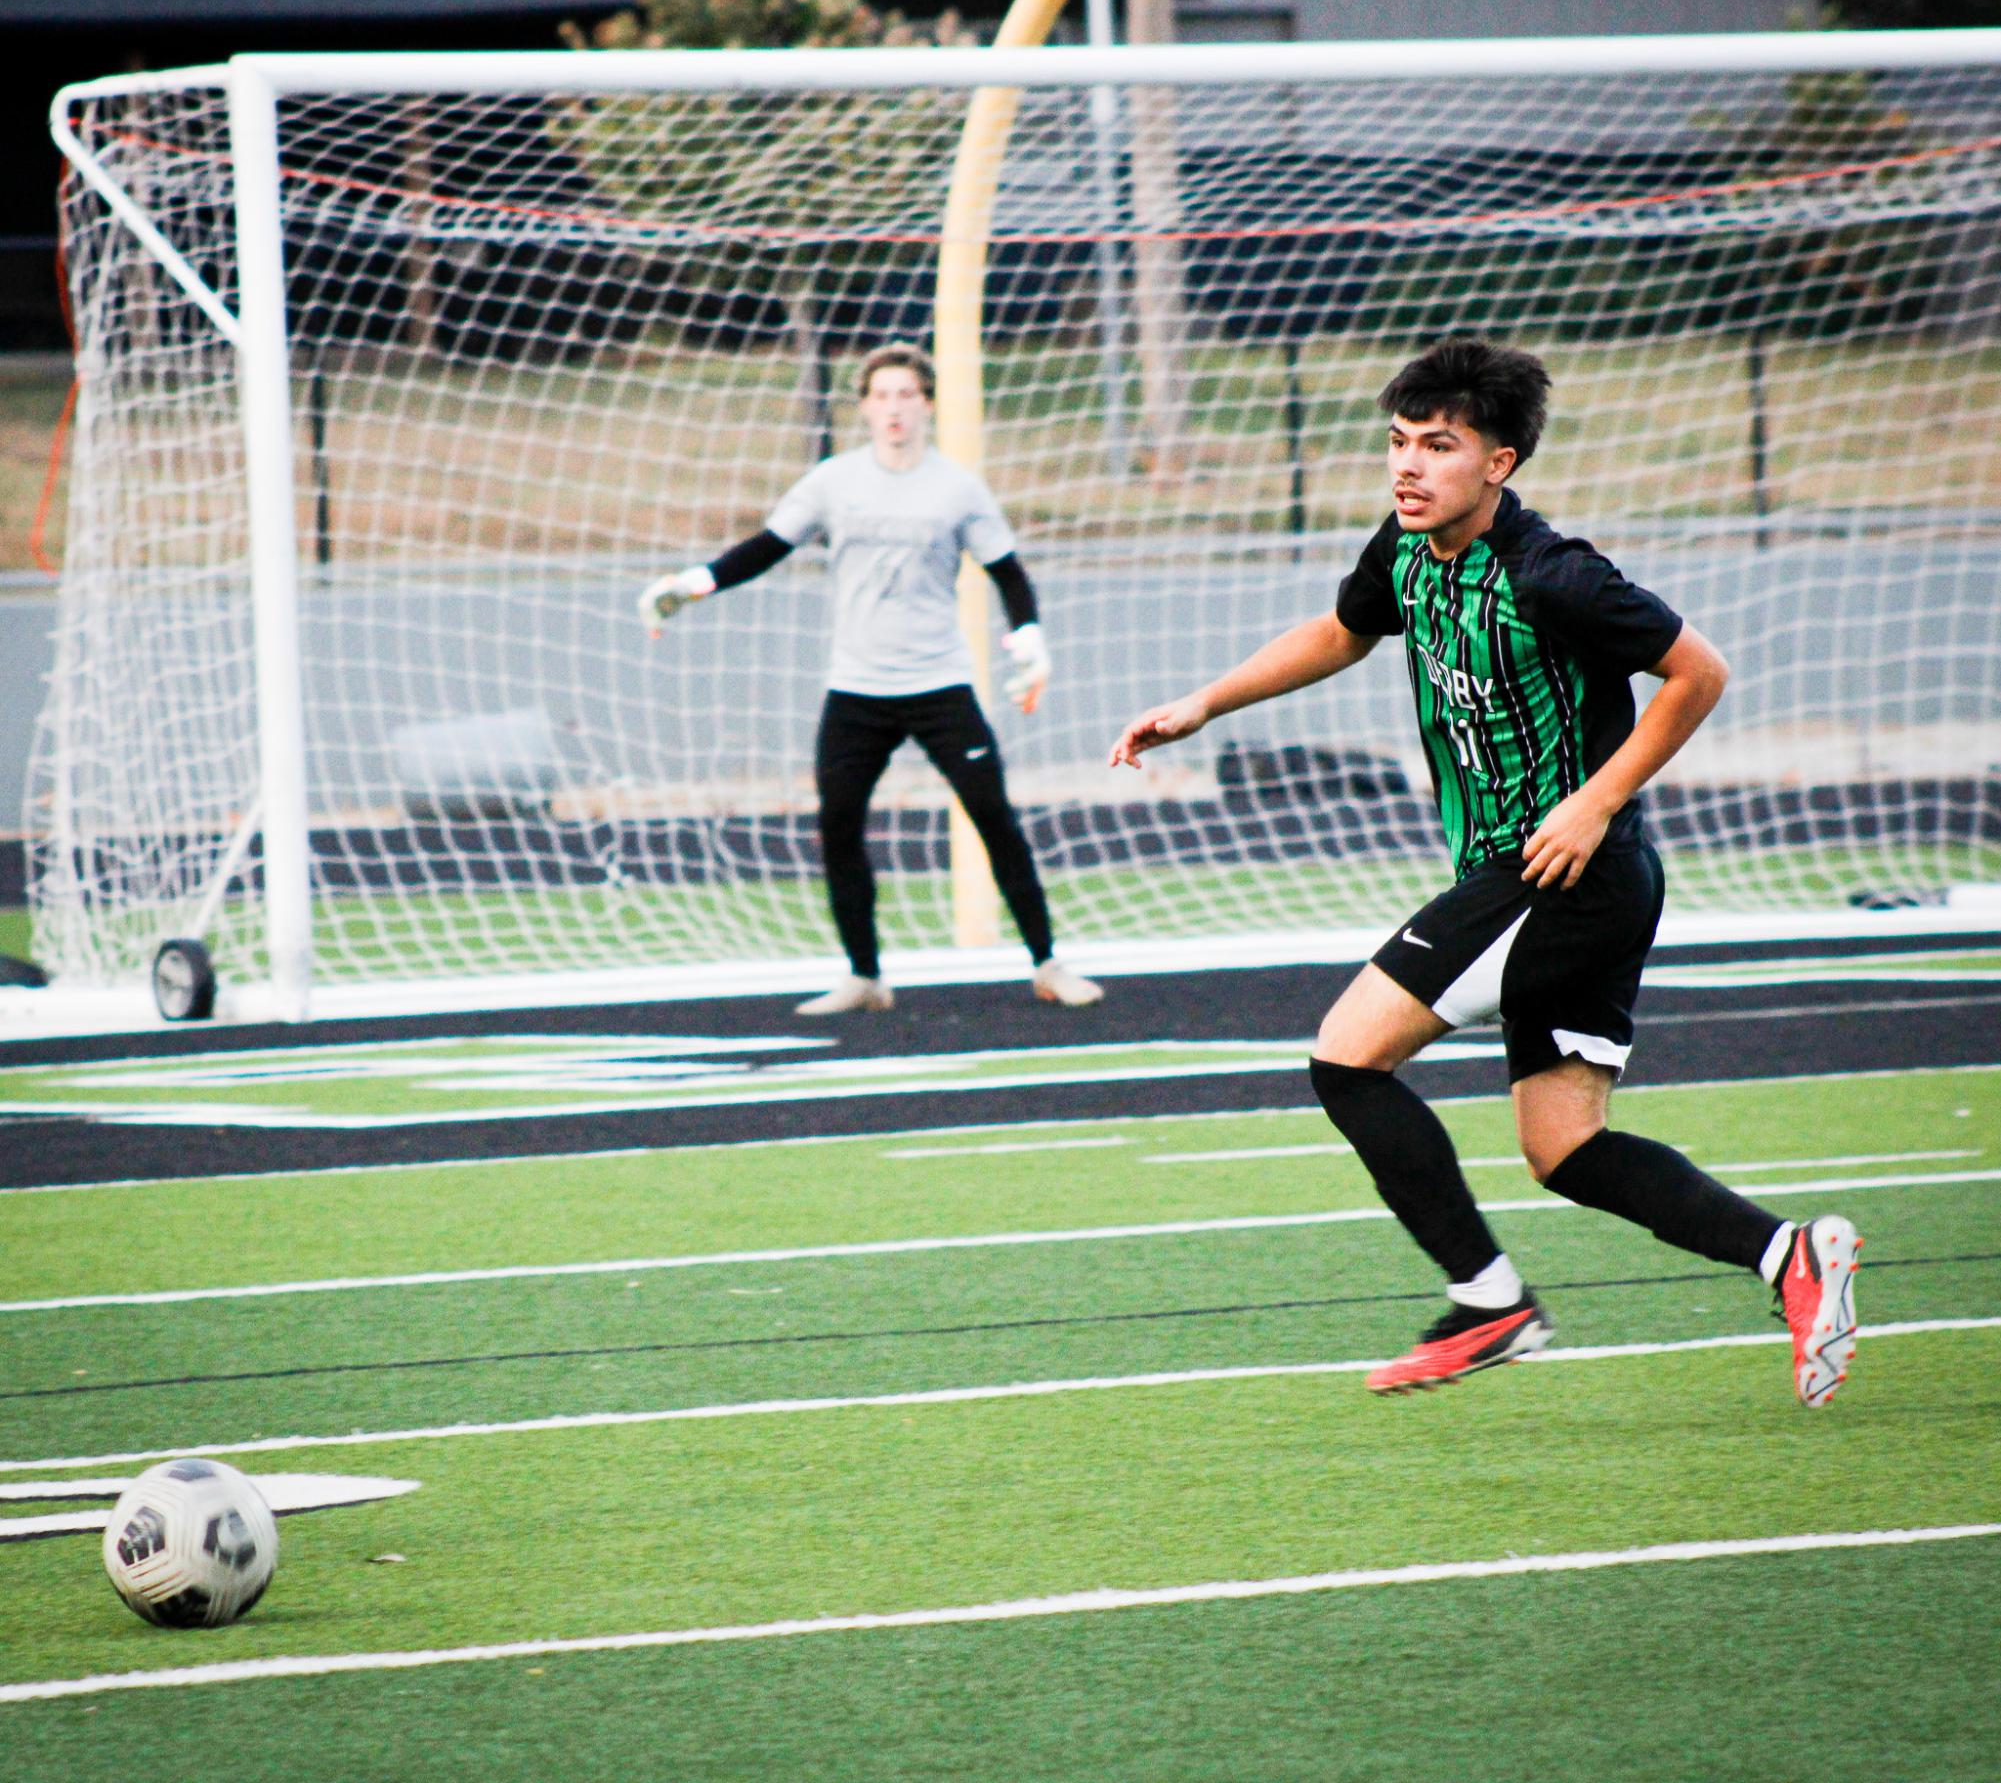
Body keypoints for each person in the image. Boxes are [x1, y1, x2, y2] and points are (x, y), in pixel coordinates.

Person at [1110, 335, 1859, 1406]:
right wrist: (1202, 704)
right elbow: (1341, 630)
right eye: (1398, 442)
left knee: (1346, 1058)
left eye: (1440, 446)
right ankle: (1791, 1255)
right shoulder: (1410, 545)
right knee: (1566, 1150)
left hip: (1558, 876)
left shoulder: (1553, 573)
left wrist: (1595, 800)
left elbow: (1700, 671)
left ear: (1499, 463)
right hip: (1568, 884)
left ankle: (1488, 1300)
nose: (1408, 467)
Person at [639, 342, 1103, 1017]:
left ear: (927, 405)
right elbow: (767, 547)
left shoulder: (957, 488)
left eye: (906, 395)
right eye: (881, 396)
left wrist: (1030, 641)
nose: (893, 409)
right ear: (863, 407)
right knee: (840, 826)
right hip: (856, 692)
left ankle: (1047, 964)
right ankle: (863, 976)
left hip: (940, 686)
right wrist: (694, 583)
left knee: (994, 821)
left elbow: (1008, 573)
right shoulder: (833, 481)